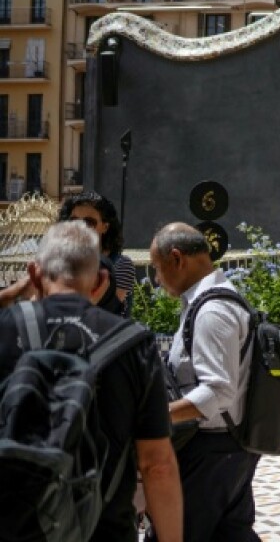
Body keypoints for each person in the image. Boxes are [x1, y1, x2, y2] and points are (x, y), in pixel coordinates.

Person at [0, 221, 183, 542]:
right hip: (104, 531)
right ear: (100, 281)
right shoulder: (133, 343)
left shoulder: (5, 330)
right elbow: (157, 465)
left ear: (32, 274)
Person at [153, 223, 260, 542]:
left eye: (157, 270)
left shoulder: (213, 310)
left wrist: (158, 416)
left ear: (177, 259)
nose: (157, 280)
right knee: (231, 534)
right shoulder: (212, 300)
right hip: (225, 449)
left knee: (178, 533)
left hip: (213, 450)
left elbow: (218, 391)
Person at [58, 190, 135, 315]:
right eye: (74, 221)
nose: (80, 227)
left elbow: (104, 310)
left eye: (89, 222)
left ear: (105, 227)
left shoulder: (121, 264)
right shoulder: (61, 262)